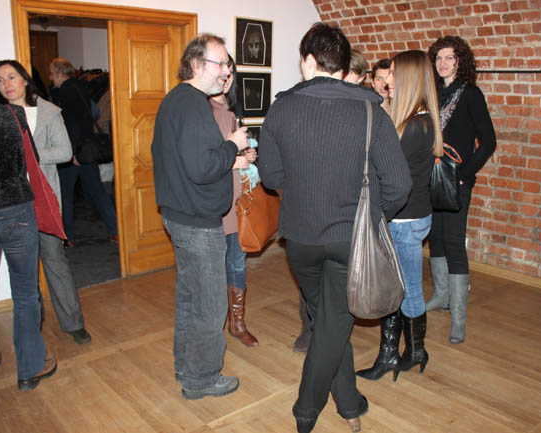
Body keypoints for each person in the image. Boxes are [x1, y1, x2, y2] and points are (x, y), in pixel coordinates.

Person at [258, 23, 412, 433]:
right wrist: (374, 216)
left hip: (301, 238)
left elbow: (271, 176)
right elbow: (400, 185)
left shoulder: (281, 108)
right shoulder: (370, 111)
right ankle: (308, 409)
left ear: (309, 61)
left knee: (327, 320)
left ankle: (345, 404)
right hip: (351, 240)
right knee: (332, 323)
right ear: (344, 66)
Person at [151, 33, 249, 400]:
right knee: (210, 304)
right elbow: (203, 167)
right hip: (197, 221)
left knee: (190, 299)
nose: (226, 71)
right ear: (195, 64)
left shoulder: (176, 99)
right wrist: (232, 146)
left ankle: (186, 366)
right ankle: (202, 379)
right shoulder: (193, 106)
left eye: (227, 64)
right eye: (220, 63)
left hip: (180, 215)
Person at [0, 48, 56, 391]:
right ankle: (30, 368)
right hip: (14, 212)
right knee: (26, 292)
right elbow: (28, 163)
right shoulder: (11, 114)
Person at [356, 50, 443, 381]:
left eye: (393, 73)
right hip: (408, 216)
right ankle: (395, 354)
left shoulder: (414, 126)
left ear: (408, 77)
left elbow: (383, 169)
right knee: (397, 288)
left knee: (406, 291)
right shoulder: (414, 119)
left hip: (405, 219)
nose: (387, 79)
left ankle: (411, 352)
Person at [0, 60, 92, 345]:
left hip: (44, 200)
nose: (6, 85)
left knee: (55, 260)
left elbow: (64, 151)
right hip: (12, 203)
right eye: (0, 80)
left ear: (25, 80)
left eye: (11, 77)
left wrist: (28, 153)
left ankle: (73, 323)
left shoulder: (48, 112)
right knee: (21, 268)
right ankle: (30, 326)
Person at [425, 36, 496, 344]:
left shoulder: (470, 94)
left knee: (454, 242)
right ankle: (441, 296)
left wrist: (465, 175)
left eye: (449, 58)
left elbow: (489, 141)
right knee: (436, 238)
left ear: (460, 62)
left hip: (457, 181)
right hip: (430, 178)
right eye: (438, 58)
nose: (443, 63)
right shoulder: (431, 92)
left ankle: (459, 317)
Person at [209, 55, 259, 346]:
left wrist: (248, 155)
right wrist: (232, 162)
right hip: (214, 200)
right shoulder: (202, 110)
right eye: (222, 71)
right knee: (215, 266)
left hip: (238, 199)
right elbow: (203, 160)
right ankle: (213, 323)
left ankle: (237, 323)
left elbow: (238, 150)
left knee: (237, 263)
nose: (226, 78)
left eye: (230, 73)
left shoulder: (234, 109)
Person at [49, 57, 118, 248]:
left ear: (60, 73)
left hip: (74, 151)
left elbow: (71, 125)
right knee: (97, 191)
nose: (50, 78)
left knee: (66, 195)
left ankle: (66, 237)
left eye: (52, 73)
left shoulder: (66, 91)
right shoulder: (80, 87)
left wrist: (71, 153)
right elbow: (93, 114)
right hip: (88, 150)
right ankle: (115, 230)